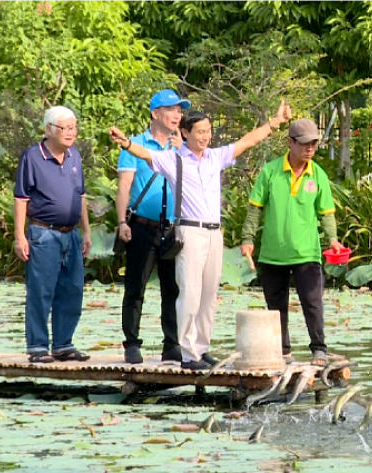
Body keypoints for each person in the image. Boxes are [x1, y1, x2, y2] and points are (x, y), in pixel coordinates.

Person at [108, 100, 292, 370]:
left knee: (208, 295)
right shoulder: (174, 160)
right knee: (190, 293)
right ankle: (187, 352)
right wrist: (125, 143)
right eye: (200, 132)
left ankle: (202, 348)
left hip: (214, 233)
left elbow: (247, 142)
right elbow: (145, 155)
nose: (206, 136)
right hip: (190, 231)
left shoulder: (215, 157)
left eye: (208, 131)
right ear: (185, 133)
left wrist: (274, 123)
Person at [239, 119, 344, 367]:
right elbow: (255, 208)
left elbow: (326, 212)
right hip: (273, 253)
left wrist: (333, 239)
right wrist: (247, 239)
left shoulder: (317, 174)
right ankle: (283, 351)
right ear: (290, 142)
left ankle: (318, 348)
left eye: (314, 144)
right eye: (305, 143)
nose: (310, 149)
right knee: (276, 307)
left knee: (313, 302)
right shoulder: (270, 172)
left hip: (307, 253)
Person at [13, 106, 92, 364]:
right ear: (49, 130)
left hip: (71, 234)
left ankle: (63, 344)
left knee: (72, 290)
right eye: (65, 128)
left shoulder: (74, 157)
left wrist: (87, 231)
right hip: (43, 233)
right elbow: (21, 198)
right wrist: (20, 236)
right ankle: (37, 347)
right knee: (41, 291)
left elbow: (81, 196)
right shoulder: (32, 157)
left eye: (74, 127)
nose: (71, 132)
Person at [116, 90, 188, 364]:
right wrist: (122, 221)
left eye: (179, 111)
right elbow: (124, 186)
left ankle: (172, 344)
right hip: (142, 227)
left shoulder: (181, 147)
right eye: (171, 109)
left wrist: (182, 149)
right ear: (155, 113)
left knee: (173, 289)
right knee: (136, 287)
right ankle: (132, 343)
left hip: (172, 228)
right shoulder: (134, 145)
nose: (176, 115)